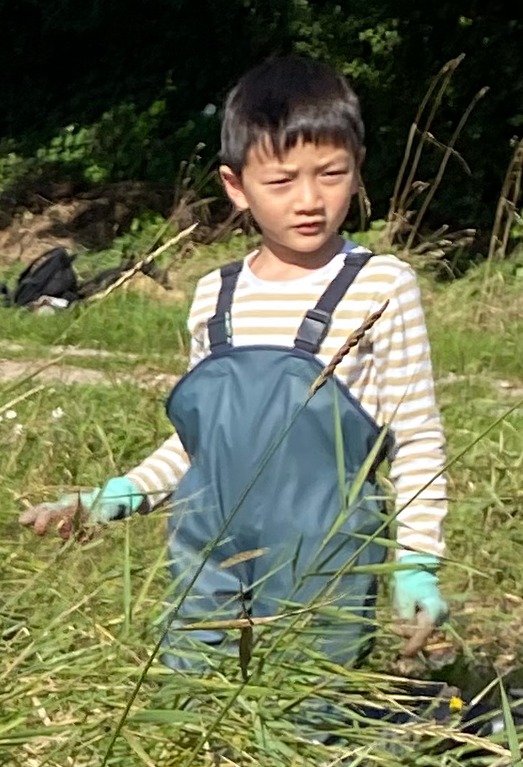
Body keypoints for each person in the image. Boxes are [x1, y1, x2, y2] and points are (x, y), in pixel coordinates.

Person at [22, 57, 445, 668]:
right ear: (236, 186)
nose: (309, 200)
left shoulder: (381, 286)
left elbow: (417, 441)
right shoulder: (214, 296)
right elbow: (201, 447)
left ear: (357, 170)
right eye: (280, 183)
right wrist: (111, 498)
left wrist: (417, 563)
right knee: (195, 706)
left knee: (312, 717)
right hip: (205, 553)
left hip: (323, 560)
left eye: (332, 174)